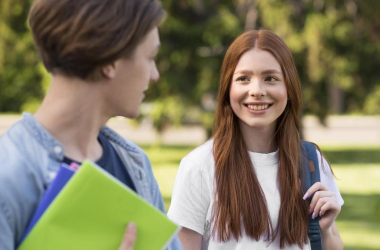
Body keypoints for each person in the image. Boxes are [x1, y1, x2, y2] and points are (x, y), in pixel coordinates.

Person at [0, 0, 182, 249]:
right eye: (150, 57)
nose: (155, 75)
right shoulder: (7, 176)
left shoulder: (135, 164)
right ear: (110, 60)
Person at [167, 29, 344, 250]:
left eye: (270, 78)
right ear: (227, 88)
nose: (257, 90)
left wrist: (325, 230)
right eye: (243, 79)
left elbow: (331, 244)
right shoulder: (199, 166)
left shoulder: (310, 161)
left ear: (289, 87)